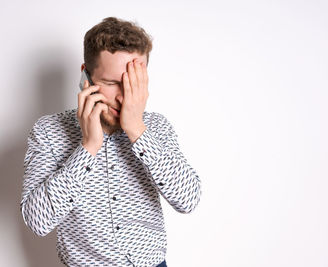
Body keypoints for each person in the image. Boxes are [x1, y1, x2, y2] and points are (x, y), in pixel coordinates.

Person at [20, 17, 202, 267]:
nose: (123, 97)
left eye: (132, 83)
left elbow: (188, 199)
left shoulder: (156, 127)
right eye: (112, 83)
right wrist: (88, 147)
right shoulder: (49, 132)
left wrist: (137, 129)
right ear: (86, 76)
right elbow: (37, 221)